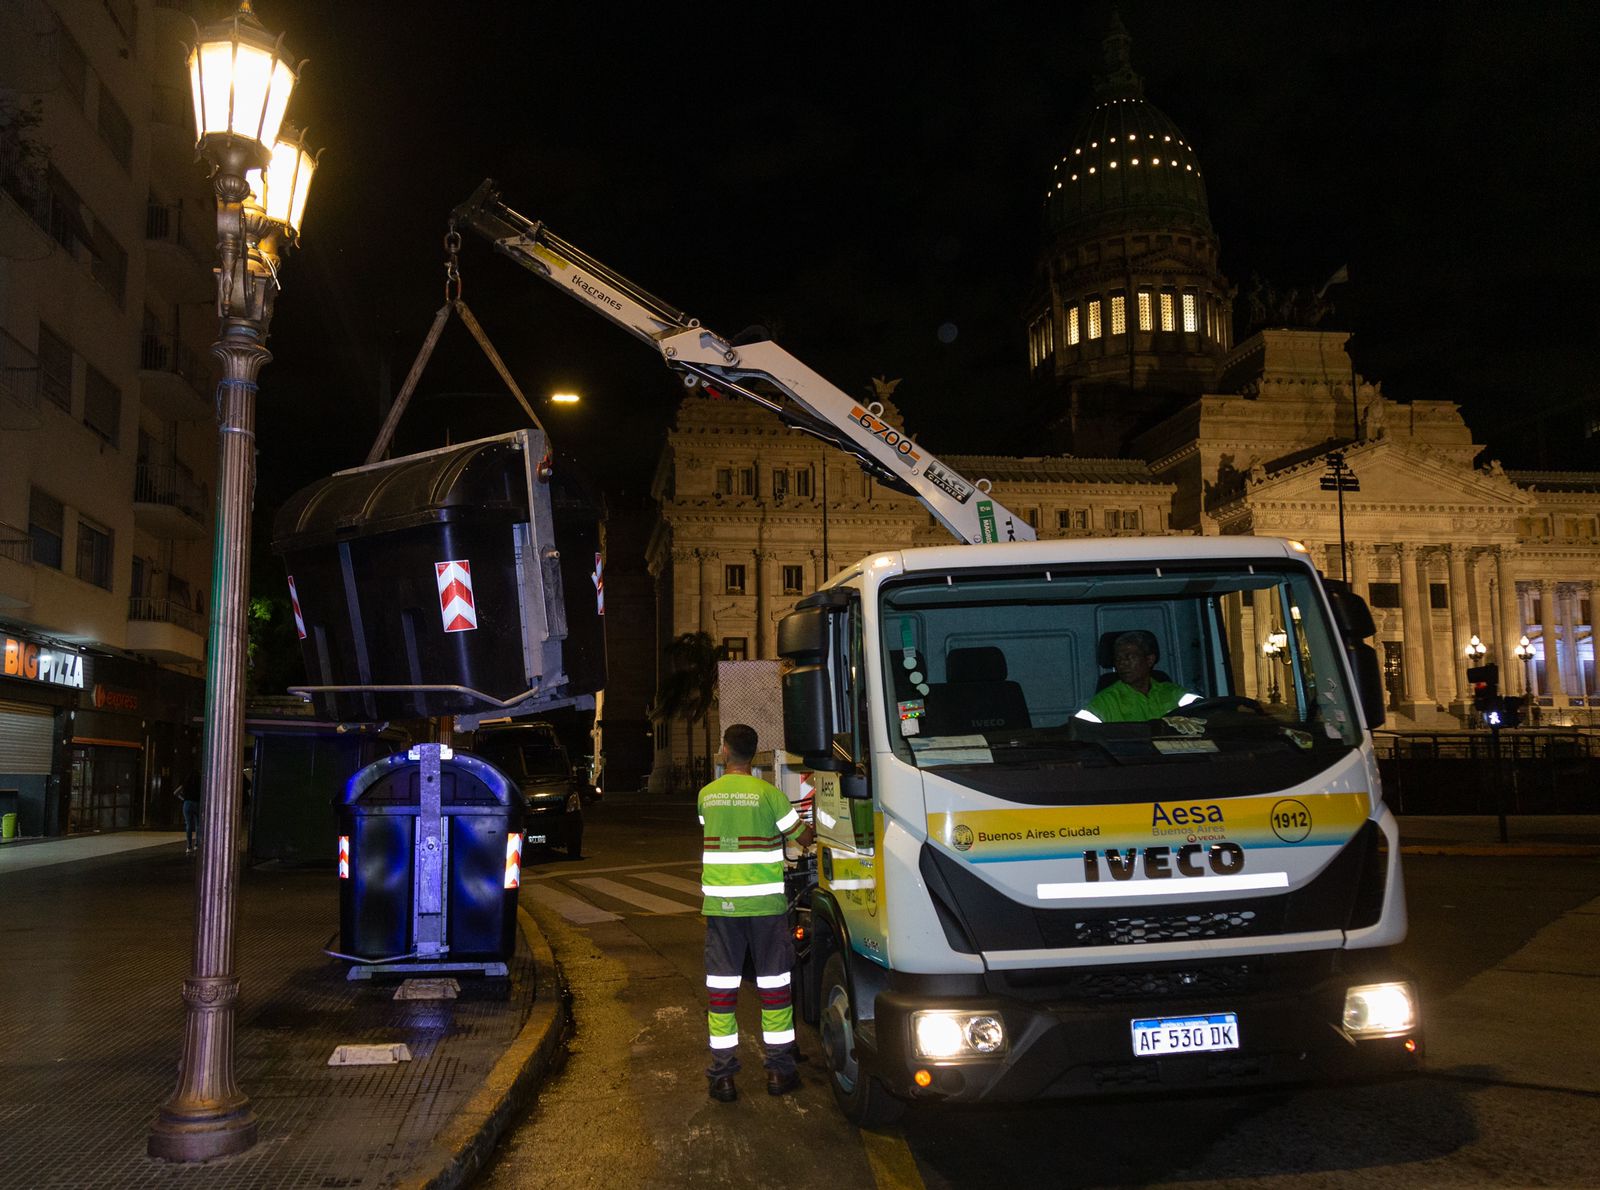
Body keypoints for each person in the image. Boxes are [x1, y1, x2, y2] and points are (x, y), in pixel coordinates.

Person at [697, 723, 814, 1103]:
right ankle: (779, 1072)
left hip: (722, 907)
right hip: (765, 907)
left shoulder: (706, 796)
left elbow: (708, 827)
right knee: (774, 987)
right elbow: (801, 838)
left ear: (725, 751)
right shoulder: (770, 795)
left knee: (722, 990)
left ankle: (723, 1077)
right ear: (753, 753)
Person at [1075, 630, 1200, 723]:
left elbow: (1209, 712)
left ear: (1149, 660)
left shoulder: (1175, 694)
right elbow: (1079, 733)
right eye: (1118, 659)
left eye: (1129, 657)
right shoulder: (1105, 701)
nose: (1122, 663)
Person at [174, 769, 201, 855]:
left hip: (187, 803)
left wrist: (184, 799)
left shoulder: (186, 784)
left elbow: (176, 793)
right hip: (197, 804)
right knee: (198, 825)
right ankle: (197, 845)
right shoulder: (200, 784)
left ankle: (189, 847)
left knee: (188, 825)